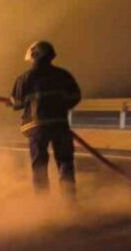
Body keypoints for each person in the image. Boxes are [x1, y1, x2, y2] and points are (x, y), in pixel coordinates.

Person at [11, 41, 82, 197]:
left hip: (36, 127)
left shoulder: (24, 78)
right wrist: (60, 108)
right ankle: (69, 200)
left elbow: (17, 103)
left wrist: (13, 103)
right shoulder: (63, 75)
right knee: (65, 161)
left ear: (34, 56)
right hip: (60, 124)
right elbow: (75, 97)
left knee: (40, 165)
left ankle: (43, 203)